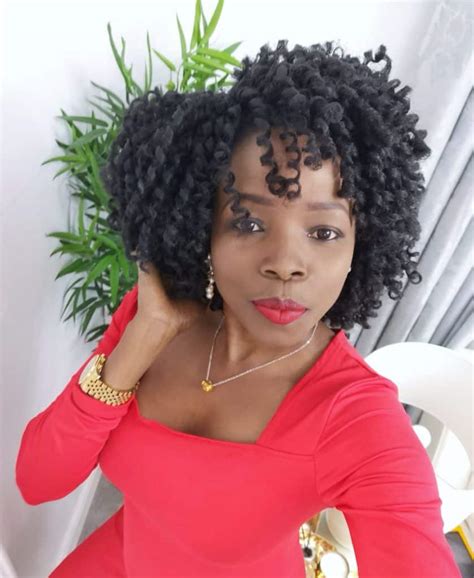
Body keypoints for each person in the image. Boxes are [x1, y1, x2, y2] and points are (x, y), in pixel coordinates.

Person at [15, 40, 461, 577]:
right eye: (249, 222)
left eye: (323, 232)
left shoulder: (355, 417)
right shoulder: (155, 314)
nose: (285, 264)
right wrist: (143, 338)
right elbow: (37, 480)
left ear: (359, 248)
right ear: (205, 225)